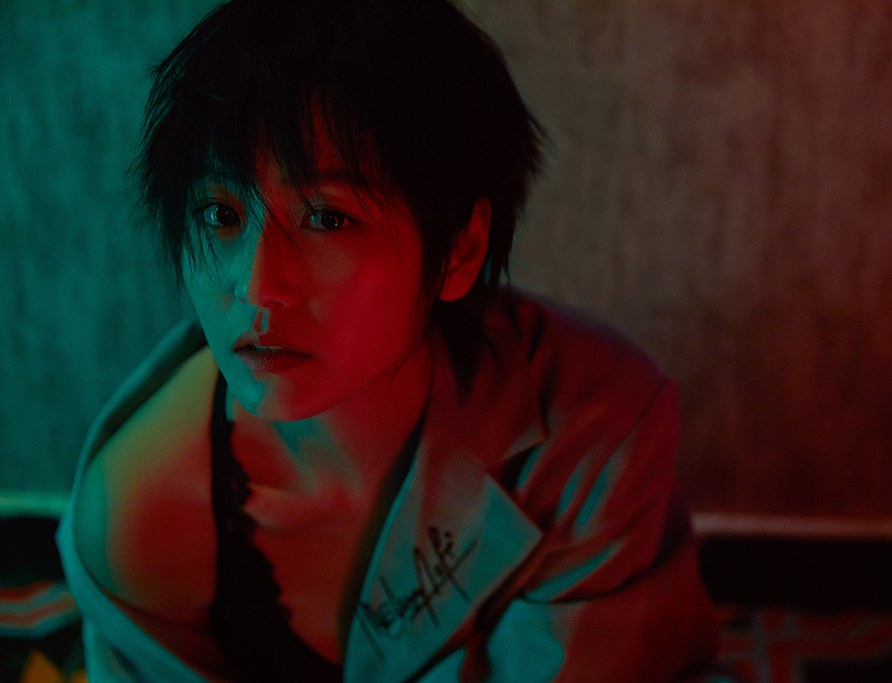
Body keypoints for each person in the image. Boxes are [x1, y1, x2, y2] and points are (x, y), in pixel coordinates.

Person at [56, 0, 719, 681]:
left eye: (327, 218)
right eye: (219, 213)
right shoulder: (137, 513)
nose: (255, 286)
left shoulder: (595, 430)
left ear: (460, 250)